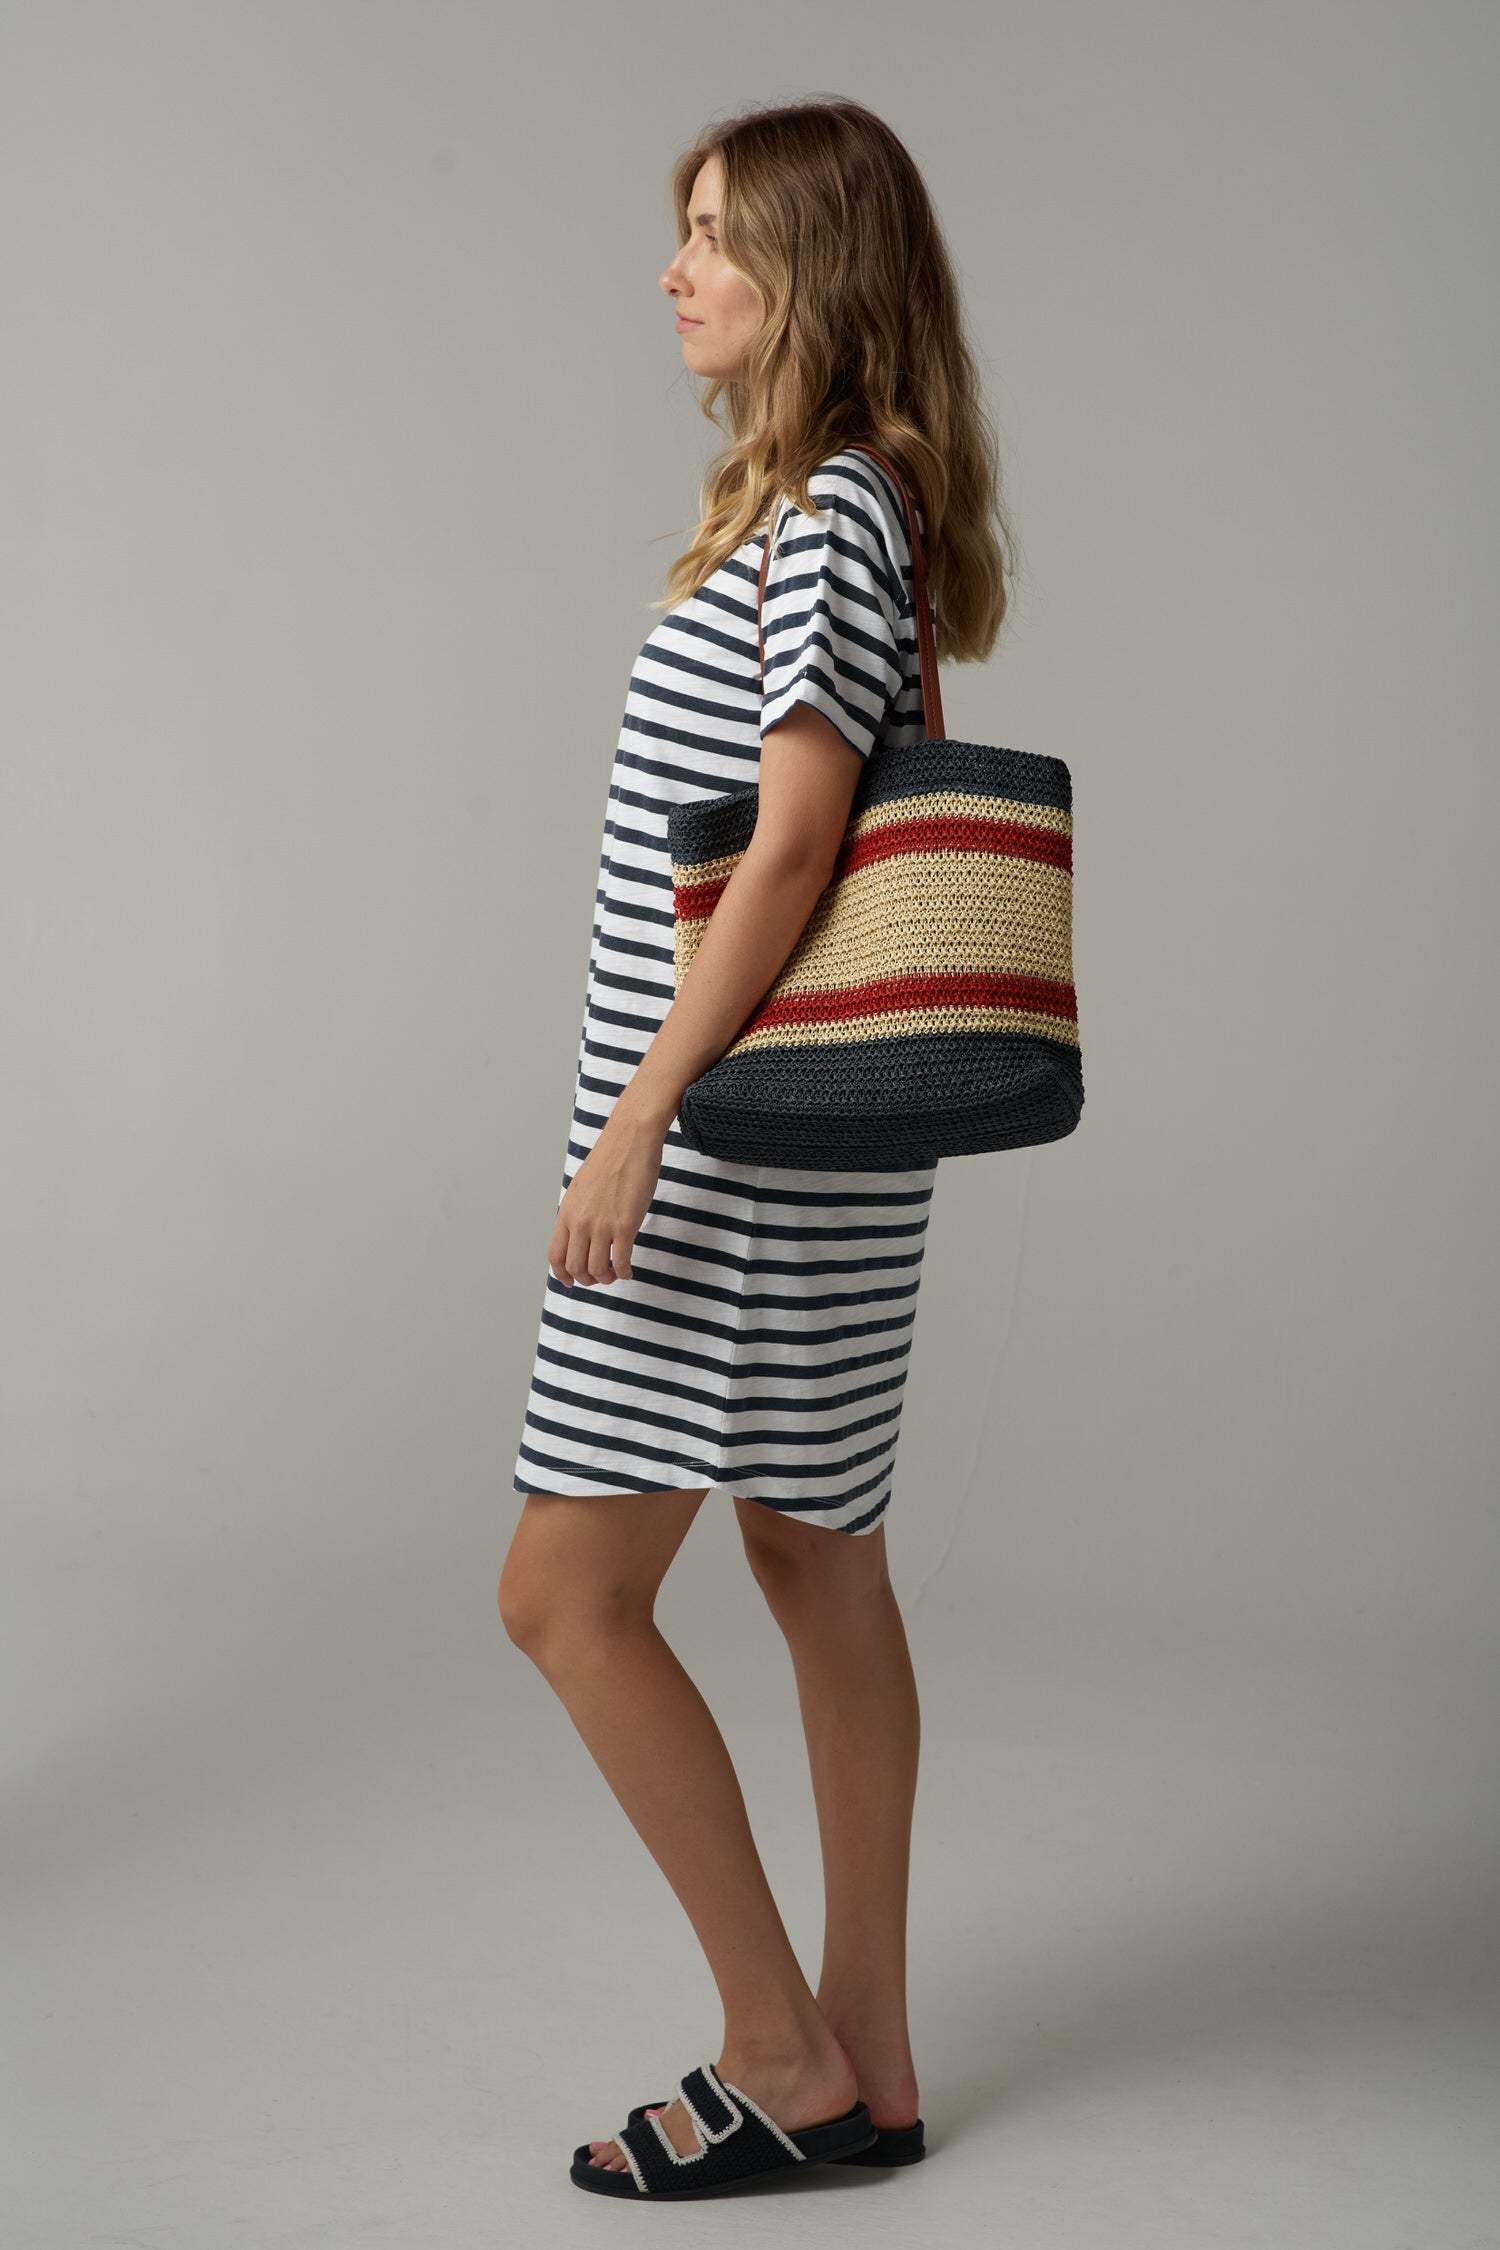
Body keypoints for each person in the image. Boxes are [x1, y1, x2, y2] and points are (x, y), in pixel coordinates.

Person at [498, 96, 1014, 2200]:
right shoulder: (858, 506)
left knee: (564, 1593)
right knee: (815, 1556)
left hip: (724, 1137)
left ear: (811, 264)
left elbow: (797, 841)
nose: (676, 268)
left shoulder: (828, 517)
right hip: (816, 1143)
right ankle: (869, 2059)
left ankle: (778, 2047)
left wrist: (638, 1116)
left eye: (714, 233)